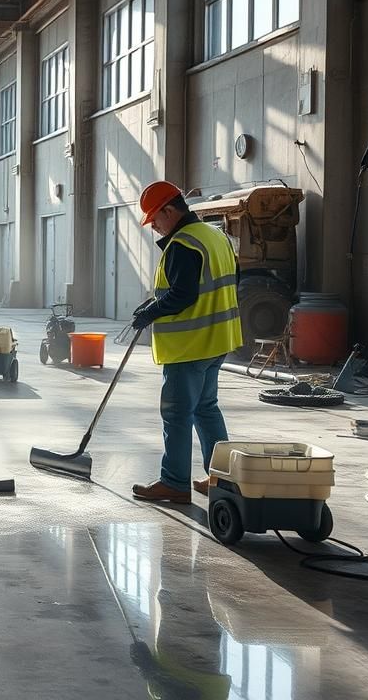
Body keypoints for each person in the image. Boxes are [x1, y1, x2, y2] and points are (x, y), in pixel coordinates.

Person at [130, 181, 243, 503]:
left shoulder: (183, 243)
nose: (154, 226)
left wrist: (151, 312)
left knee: (177, 414)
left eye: (154, 219)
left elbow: (183, 295)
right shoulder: (215, 236)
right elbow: (230, 280)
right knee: (206, 409)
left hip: (190, 345)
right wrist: (155, 303)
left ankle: (175, 483)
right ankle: (220, 478)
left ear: (169, 210)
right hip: (218, 340)